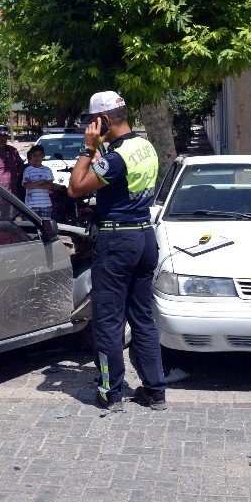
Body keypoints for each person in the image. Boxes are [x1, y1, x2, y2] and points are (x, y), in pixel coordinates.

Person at [67, 91, 166, 412]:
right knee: (143, 318)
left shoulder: (115, 157)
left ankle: (110, 392)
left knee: (108, 320)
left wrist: (88, 149)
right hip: (144, 237)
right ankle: (154, 390)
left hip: (116, 242)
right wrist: (103, 154)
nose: (90, 128)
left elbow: (75, 188)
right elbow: (119, 180)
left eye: (93, 122)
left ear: (105, 120)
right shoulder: (145, 147)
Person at [21, 145, 54, 220]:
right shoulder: (28, 170)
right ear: (31, 156)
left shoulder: (47, 170)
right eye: (34, 155)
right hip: (31, 204)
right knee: (33, 227)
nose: (37, 158)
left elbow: (49, 186)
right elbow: (27, 186)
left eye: (39, 155)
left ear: (43, 156)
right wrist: (41, 181)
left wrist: (33, 184)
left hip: (45, 204)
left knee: (45, 227)